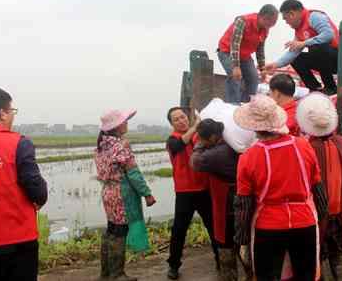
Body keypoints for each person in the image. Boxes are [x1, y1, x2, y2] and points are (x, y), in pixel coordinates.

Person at [232, 94, 329, 281]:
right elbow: (318, 189)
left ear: (253, 126)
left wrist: (242, 238)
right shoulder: (304, 146)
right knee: (305, 275)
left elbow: (243, 204)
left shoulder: (248, 157)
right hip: (305, 222)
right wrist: (322, 217)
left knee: (268, 276)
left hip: (269, 226)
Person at [0, 87, 48, 281]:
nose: (13, 116)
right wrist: (40, 196)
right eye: (11, 111)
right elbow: (36, 190)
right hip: (17, 244)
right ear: (2, 113)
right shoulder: (19, 143)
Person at [95, 109, 156, 281]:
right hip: (121, 194)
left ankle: (106, 274)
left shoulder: (101, 146)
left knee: (111, 231)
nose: (127, 123)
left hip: (108, 192)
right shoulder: (121, 145)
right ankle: (117, 274)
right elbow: (133, 173)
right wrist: (147, 194)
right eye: (125, 121)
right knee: (120, 233)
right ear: (117, 126)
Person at [297, 93, 342, 281]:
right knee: (340, 255)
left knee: (321, 257)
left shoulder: (306, 147)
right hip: (339, 214)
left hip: (320, 216)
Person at [166, 107, 219, 279]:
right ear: (172, 124)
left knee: (213, 227)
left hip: (204, 190)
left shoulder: (199, 137)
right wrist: (195, 127)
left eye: (183, 117)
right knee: (179, 231)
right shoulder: (172, 140)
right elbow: (181, 143)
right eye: (176, 119)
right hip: (184, 193)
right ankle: (173, 265)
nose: (181, 120)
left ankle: (221, 260)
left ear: (187, 118)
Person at [191, 119, 239, 281]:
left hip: (227, 204)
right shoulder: (233, 145)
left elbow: (195, 163)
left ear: (212, 137)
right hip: (242, 202)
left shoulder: (215, 154)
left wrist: (198, 146)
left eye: (203, 138)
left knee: (226, 246)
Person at [265, 0, 340, 96]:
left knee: (317, 47)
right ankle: (315, 89)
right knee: (296, 58)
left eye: (286, 19)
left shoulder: (314, 17)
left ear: (292, 14)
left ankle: (330, 87)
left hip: (339, 59)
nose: (286, 23)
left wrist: (304, 43)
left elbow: (328, 35)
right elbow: (293, 52)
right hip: (324, 62)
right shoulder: (299, 30)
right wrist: (276, 64)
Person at [218, 4, 279, 103]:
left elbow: (260, 50)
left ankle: (247, 105)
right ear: (264, 17)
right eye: (272, 22)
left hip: (245, 56)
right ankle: (232, 106)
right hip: (227, 52)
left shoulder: (265, 29)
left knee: (254, 78)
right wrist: (236, 67)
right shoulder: (242, 21)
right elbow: (235, 45)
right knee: (235, 77)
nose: (272, 25)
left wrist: (262, 69)